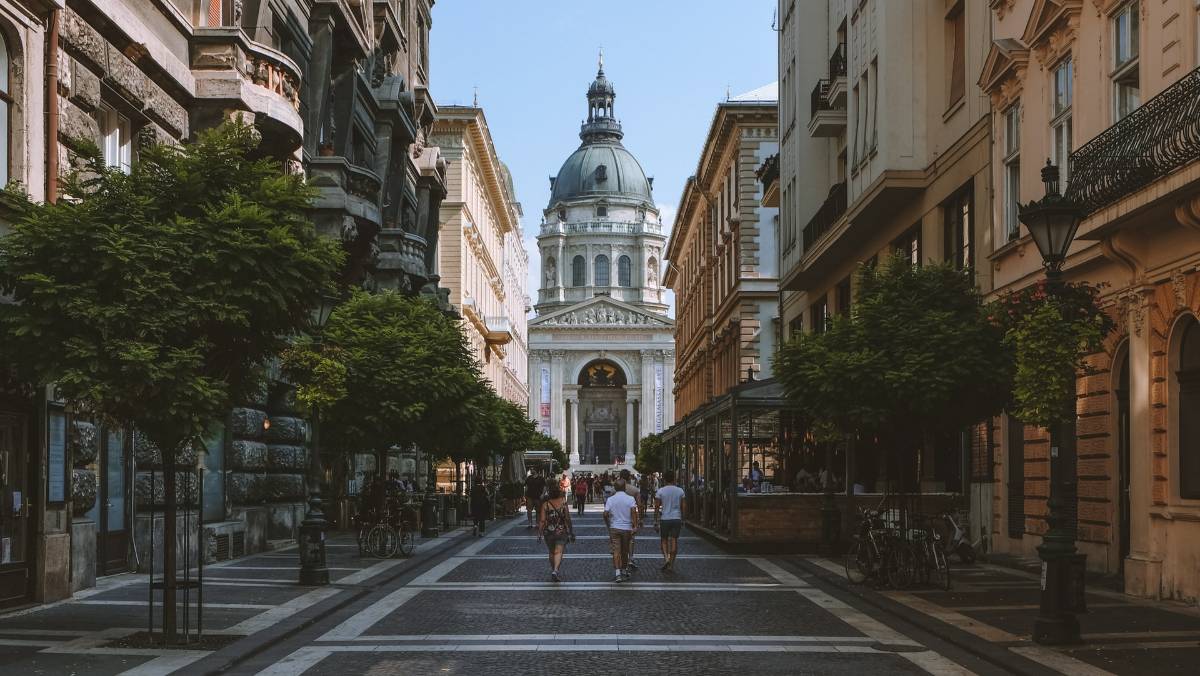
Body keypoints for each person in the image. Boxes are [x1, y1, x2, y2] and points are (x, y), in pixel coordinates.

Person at [604, 478, 639, 582]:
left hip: (614, 527)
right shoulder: (630, 499)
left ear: (615, 488)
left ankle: (617, 573)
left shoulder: (610, 499)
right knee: (625, 551)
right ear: (624, 487)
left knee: (616, 551)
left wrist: (608, 524)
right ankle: (624, 569)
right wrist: (635, 526)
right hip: (627, 528)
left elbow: (605, 514)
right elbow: (634, 513)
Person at [538, 485, 575, 581]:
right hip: (561, 531)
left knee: (551, 551)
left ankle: (553, 569)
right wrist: (571, 530)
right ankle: (555, 570)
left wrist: (539, 533)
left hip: (548, 532)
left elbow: (542, 520)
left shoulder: (545, 504)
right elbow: (567, 517)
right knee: (558, 551)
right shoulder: (563, 502)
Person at [654, 470, 687, 572]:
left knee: (664, 540)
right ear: (674, 478)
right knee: (674, 540)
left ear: (664, 479)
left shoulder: (660, 491)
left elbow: (656, 507)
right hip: (676, 518)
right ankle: (671, 565)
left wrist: (656, 520)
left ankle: (666, 558)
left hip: (665, 519)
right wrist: (683, 519)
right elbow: (684, 506)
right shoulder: (680, 491)